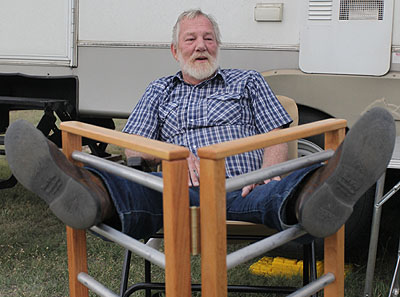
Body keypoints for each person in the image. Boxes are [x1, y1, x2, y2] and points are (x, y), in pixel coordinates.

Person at [4, 9, 396, 242]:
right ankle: (83, 193)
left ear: (218, 48)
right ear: (176, 51)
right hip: (176, 190)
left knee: (285, 185)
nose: (201, 45)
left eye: (208, 38)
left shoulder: (248, 81)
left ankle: (322, 196)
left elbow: (277, 134)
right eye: (190, 39)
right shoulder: (159, 90)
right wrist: (172, 157)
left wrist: (268, 173)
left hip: (242, 190)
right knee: (129, 188)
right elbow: (134, 148)